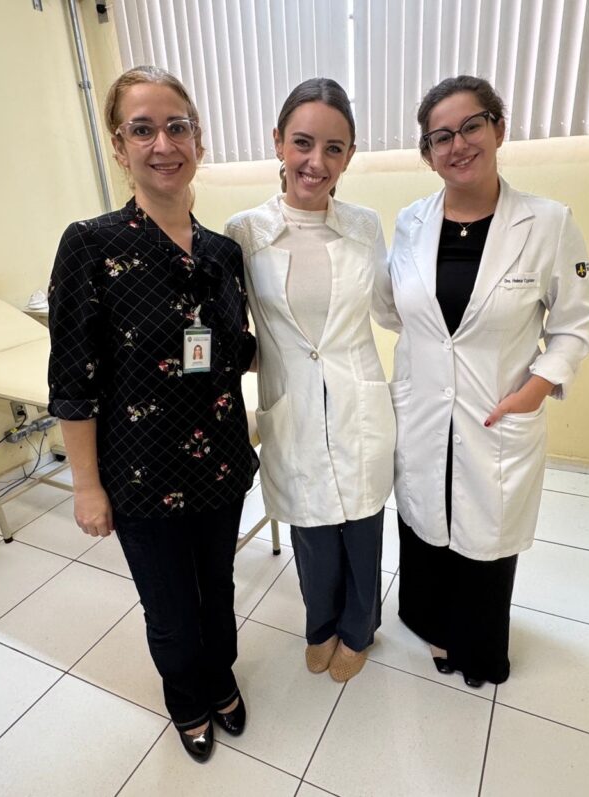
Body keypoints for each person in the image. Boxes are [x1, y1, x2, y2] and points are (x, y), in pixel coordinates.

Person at [47, 66, 257, 763]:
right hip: (141, 472)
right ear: (119, 145)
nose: (163, 143)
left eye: (176, 126)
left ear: (198, 137)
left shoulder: (225, 253)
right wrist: (85, 484)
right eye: (143, 129)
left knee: (218, 590)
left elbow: (236, 350)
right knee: (169, 605)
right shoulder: (92, 245)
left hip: (222, 461)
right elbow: (73, 378)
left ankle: (221, 675)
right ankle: (187, 699)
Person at [387, 75, 589, 687]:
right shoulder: (409, 224)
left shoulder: (549, 223)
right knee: (426, 522)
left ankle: (478, 652)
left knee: (485, 536)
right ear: (427, 153)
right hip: (424, 411)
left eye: (471, 126)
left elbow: (574, 324)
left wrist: (533, 391)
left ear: (498, 128)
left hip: (496, 414)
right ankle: (430, 628)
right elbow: (393, 305)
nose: (458, 145)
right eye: (440, 136)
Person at [225, 78, 395, 683]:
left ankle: (358, 629)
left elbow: (393, 308)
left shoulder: (366, 225)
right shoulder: (244, 231)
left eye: (334, 148)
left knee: (362, 525)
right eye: (302, 143)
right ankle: (320, 623)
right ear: (278, 142)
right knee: (311, 530)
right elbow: (231, 329)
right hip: (292, 404)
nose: (315, 162)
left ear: (349, 156)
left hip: (360, 399)